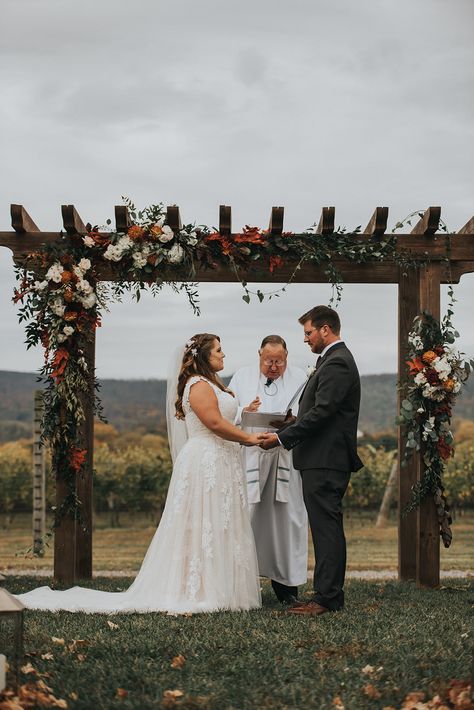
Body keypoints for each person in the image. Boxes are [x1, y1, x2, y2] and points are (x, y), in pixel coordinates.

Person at [15, 334, 262, 614]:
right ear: (204, 356)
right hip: (206, 460)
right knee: (201, 523)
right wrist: (249, 439)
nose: (223, 355)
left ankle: (219, 586)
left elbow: (223, 416)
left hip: (221, 459)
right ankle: (197, 589)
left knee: (219, 522)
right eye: (219, 350)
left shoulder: (214, 384)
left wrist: (244, 413)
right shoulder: (199, 384)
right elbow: (214, 422)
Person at [259, 306, 363, 616]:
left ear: (325, 330)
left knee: (325, 528)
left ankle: (326, 598)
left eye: (308, 333)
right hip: (321, 457)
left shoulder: (338, 363)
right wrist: (289, 425)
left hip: (326, 459)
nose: (305, 339)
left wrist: (281, 439)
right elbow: (316, 412)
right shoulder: (332, 361)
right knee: (324, 526)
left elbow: (323, 413)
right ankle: (329, 594)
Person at [229, 335, 308, 605]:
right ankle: (238, 585)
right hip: (251, 456)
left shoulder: (300, 377)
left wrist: (292, 422)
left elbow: (307, 414)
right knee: (247, 517)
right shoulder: (241, 376)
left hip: (285, 457)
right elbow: (227, 411)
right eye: (268, 361)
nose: (273, 367)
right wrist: (244, 410)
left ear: (287, 357)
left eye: (279, 361)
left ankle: (287, 587)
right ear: (259, 355)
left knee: (287, 521)